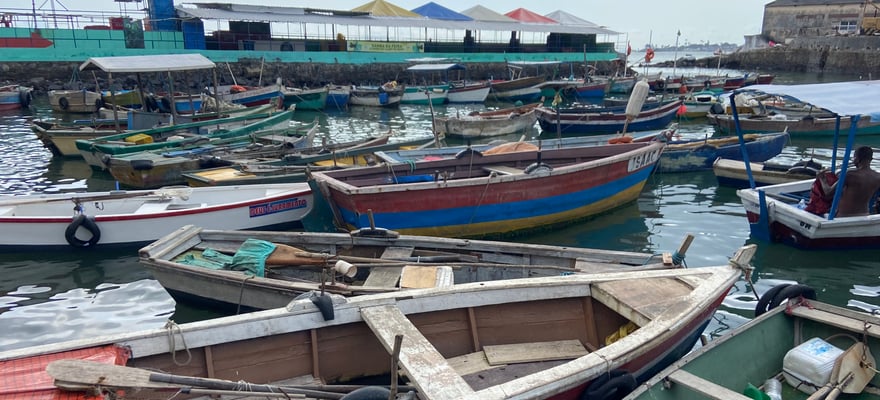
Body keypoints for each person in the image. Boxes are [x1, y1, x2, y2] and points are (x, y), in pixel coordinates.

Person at [816, 146, 880, 217]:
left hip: (844, 216)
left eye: (854, 158)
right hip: (864, 215)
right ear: (871, 159)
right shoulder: (877, 176)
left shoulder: (850, 175)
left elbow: (828, 194)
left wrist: (822, 178)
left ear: (857, 159)